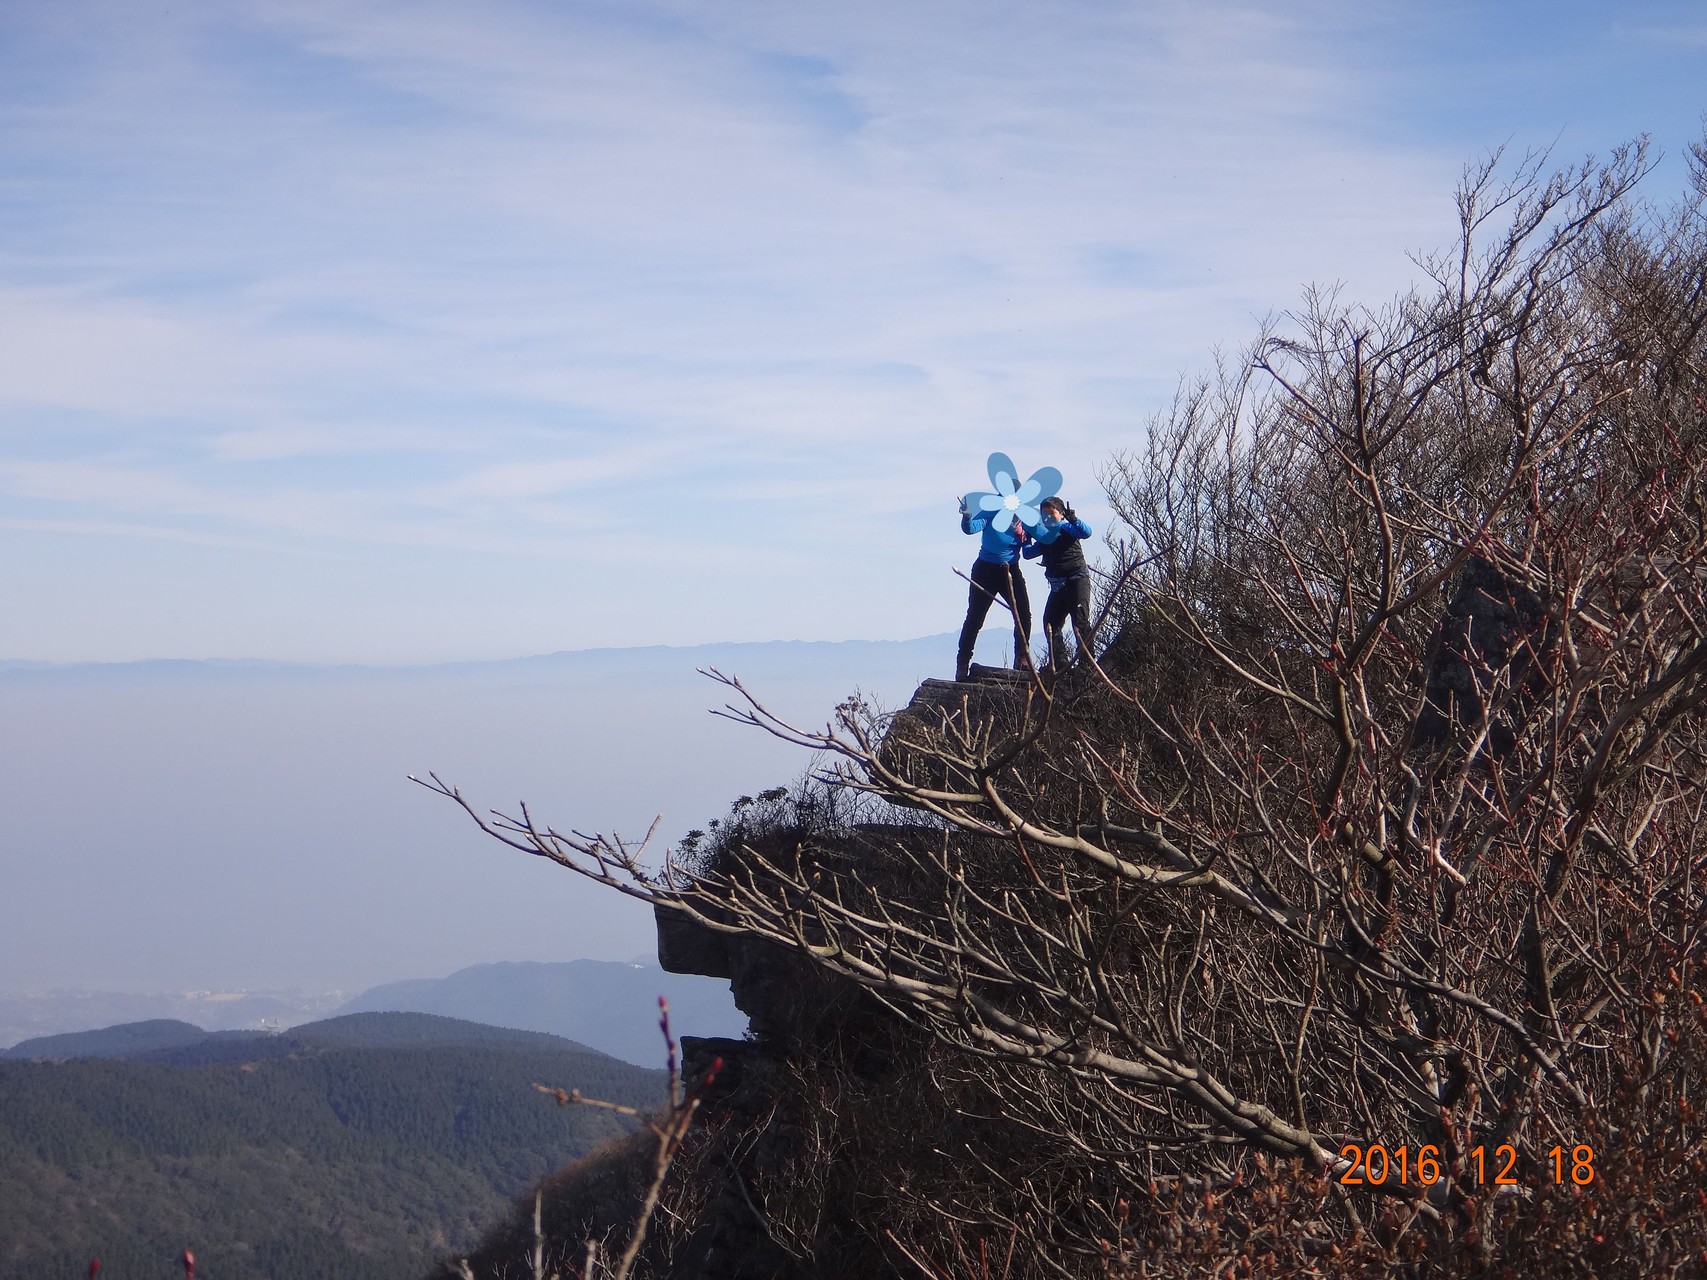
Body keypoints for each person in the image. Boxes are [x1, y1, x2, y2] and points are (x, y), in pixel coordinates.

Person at [955, 496, 1034, 681]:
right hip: (985, 569)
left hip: (1011, 570)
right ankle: (962, 663)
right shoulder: (991, 512)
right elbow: (970, 528)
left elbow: (1037, 539)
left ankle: (1022, 660)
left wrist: (1027, 537)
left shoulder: (1025, 517)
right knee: (975, 618)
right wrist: (967, 516)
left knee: (1023, 615)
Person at [1023, 496, 1094, 672]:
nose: (1047, 519)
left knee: (1081, 622)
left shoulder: (1067, 528)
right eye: (1044, 516)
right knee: (1050, 623)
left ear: (1061, 514)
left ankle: (1087, 665)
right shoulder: (1046, 537)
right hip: (1058, 586)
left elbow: (1086, 532)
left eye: (1051, 514)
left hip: (1077, 579)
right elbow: (1028, 554)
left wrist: (1073, 519)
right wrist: (1026, 538)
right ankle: (1059, 662)